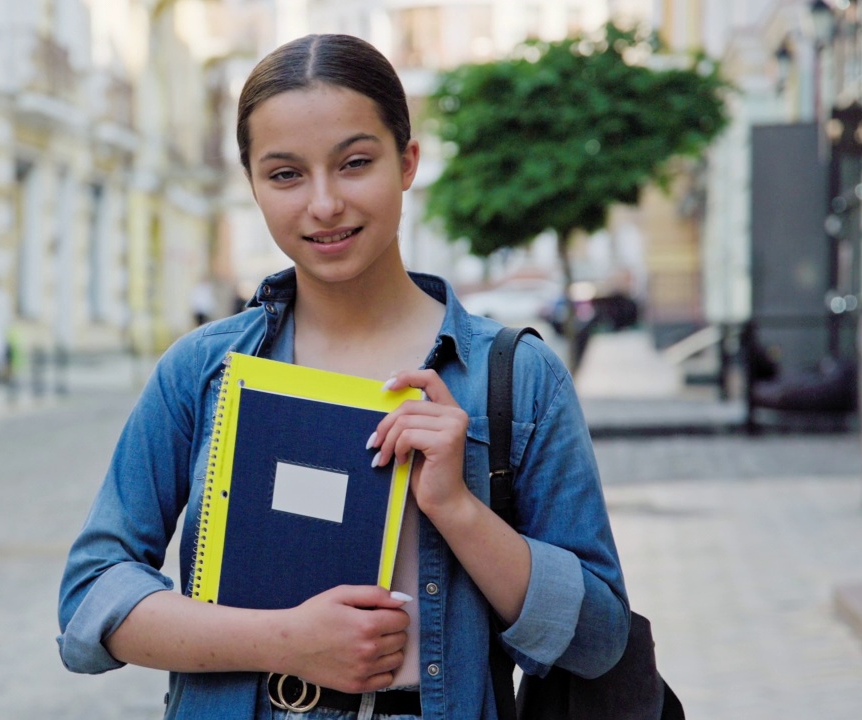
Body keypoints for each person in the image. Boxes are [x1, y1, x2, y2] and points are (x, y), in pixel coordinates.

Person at [56, 34, 629, 719]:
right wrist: (285, 641)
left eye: (354, 163)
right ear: (253, 186)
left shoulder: (517, 379)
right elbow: (90, 600)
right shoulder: (202, 371)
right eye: (285, 175)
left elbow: (598, 642)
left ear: (408, 161)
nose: (324, 204)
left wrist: (458, 510)